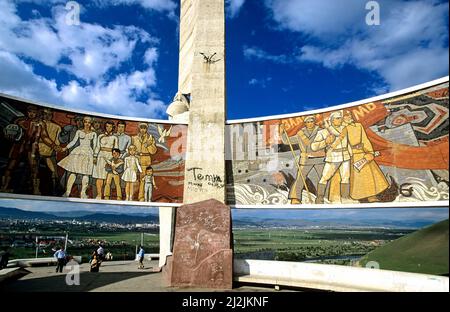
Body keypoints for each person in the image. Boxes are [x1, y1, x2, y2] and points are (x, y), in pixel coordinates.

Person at [280, 116, 325, 204]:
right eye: (308, 122)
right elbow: (287, 141)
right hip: (306, 160)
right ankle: (295, 199)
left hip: (319, 158)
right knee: (300, 179)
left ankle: (320, 199)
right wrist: (282, 133)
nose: (310, 123)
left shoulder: (321, 131)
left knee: (323, 179)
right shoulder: (301, 134)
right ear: (305, 123)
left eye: (311, 121)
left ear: (314, 122)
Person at [311, 111, 353, 204]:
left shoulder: (344, 129)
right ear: (332, 120)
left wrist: (351, 153)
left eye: (340, 118)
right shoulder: (324, 132)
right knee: (325, 178)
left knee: (346, 177)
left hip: (345, 156)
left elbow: (348, 142)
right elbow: (313, 146)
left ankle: (345, 198)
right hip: (333, 157)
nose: (340, 120)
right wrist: (325, 142)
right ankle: (319, 199)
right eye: (337, 118)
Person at [58, 116, 97, 199]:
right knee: (73, 172)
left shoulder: (93, 133)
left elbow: (96, 146)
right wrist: (66, 147)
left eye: (89, 122)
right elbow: (73, 141)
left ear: (91, 124)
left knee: (85, 173)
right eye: (85, 122)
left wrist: (95, 156)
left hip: (88, 153)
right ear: (83, 122)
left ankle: (83, 193)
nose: (87, 124)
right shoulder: (79, 131)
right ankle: (67, 192)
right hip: (78, 152)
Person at [93, 121, 119, 199]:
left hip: (109, 157)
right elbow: (97, 147)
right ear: (105, 127)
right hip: (101, 157)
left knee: (106, 177)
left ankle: (105, 195)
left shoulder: (115, 138)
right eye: (107, 126)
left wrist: (114, 160)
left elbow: (116, 149)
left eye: (110, 127)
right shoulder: (100, 136)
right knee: (99, 177)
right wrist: (95, 156)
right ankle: (99, 194)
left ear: (113, 128)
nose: (109, 128)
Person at [132, 123, 157, 201]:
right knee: (134, 178)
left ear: (147, 129)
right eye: (141, 128)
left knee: (143, 179)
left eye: (144, 128)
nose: (143, 130)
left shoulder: (150, 138)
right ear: (139, 129)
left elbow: (153, 151)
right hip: (135, 159)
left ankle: (141, 197)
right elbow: (131, 149)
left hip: (146, 159)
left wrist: (148, 145)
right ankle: (131, 196)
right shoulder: (134, 138)